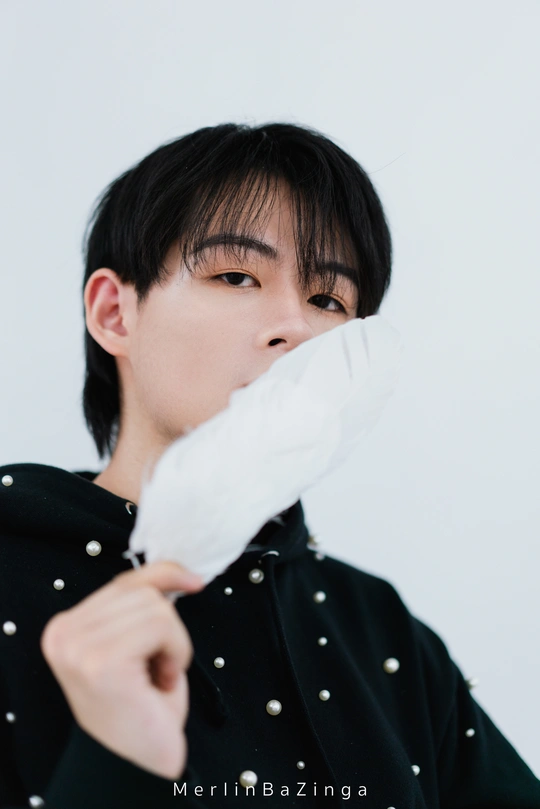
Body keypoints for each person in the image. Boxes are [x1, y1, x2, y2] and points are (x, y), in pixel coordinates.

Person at [1, 122, 539, 809]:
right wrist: (113, 760)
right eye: (236, 276)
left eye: (328, 299)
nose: (296, 326)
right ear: (115, 313)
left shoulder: (380, 629)